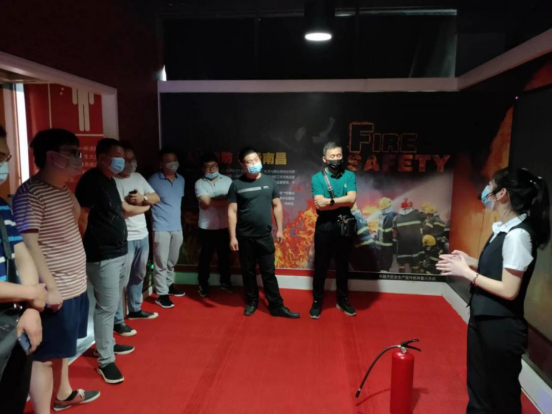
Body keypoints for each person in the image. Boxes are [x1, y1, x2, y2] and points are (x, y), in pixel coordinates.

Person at [437, 167, 550, 414]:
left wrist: (467, 273)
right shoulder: (505, 229)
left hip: (501, 327)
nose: (486, 190)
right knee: (479, 391)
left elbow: (509, 289)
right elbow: (503, 270)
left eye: (491, 185)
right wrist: (471, 261)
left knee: (500, 396)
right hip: (484, 320)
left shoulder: (518, 235)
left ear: (503, 194)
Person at [13, 129, 100, 412]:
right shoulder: (31, 193)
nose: (78, 158)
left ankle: (64, 393)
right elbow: (28, 245)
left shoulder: (62, 189)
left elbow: (75, 224)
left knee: (63, 348)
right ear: (52, 156)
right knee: (44, 357)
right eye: (72, 152)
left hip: (74, 284)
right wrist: (49, 287)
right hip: (55, 288)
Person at [76, 138, 145, 384]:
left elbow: (120, 211)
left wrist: (145, 205)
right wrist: (80, 250)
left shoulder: (110, 181)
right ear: (102, 157)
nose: (123, 161)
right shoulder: (90, 181)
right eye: (118, 157)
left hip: (119, 250)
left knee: (113, 301)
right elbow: (82, 217)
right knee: (106, 307)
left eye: (124, 158)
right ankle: (105, 360)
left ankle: (108, 344)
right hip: (101, 254)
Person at [0, 125, 47, 414]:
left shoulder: (1, 207)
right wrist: (32, 294)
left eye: (5, 158)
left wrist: (31, 308)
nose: (4, 165)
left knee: (12, 400)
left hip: (12, 322)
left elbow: (21, 253)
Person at [228, 147, 300, 318]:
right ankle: (252, 301)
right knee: (248, 271)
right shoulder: (236, 185)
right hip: (245, 236)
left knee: (269, 272)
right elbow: (231, 211)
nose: (254, 163)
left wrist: (280, 229)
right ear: (242, 164)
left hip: (265, 236)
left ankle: (276, 306)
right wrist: (232, 237)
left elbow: (277, 206)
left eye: (256, 159)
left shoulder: (270, 181)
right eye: (249, 161)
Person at [113, 142, 160, 332]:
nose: (129, 163)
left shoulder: (138, 177)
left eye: (132, 159)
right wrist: (146, 206)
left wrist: (144, 199)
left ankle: (135, 309)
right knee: (120, 281)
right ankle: (117, 320)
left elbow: (156, 197)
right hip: (125, 237)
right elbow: (125, 210)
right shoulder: (112, 180)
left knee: (139, 275)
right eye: (124, 159)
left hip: (142, 234)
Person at [309, 141, 357, 319]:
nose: (336, 159)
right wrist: (340, 201)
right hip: (324, 225)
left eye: (339, 155)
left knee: (343, 265)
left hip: (344, 224)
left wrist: (330, 201)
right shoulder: (317, 178)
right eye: (332, 156)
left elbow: (351, 200)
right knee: (321, 265)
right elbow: (319, 206)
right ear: (325, 159)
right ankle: (317, 300)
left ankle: (342, 300)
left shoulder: (350, 175)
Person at [148, 148, 185, 309]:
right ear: (161, 164)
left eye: (174, 160)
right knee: (160, 262)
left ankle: (169, 285)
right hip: (160, 227)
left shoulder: (181, 179)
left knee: (172, 260)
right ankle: (161, 294)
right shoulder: (153, 180)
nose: (173, 163)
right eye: (168, 161)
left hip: (177, 226)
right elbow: (146, 202)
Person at [194, 153, 234, 298]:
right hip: (206, 227)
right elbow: (206, 202)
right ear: (202, 169)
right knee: (205, 257)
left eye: (214, 166)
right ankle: (203, 284)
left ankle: (225, 282)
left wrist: (211, 202)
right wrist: (224, 200)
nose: (211, 169)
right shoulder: (199, 183)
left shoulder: (228, 181)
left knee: (225, 256)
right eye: (208, 167)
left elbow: (233, 200)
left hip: (224, 225)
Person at [393, 198, 423, 273]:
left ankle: (402, 278)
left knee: (401, 264)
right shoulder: (417, 214)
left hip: (402, 247)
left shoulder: (396, 218)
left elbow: (394, 233)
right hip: (414, 246)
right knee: (414, 264)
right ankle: (414, 278)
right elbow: (424, 217)